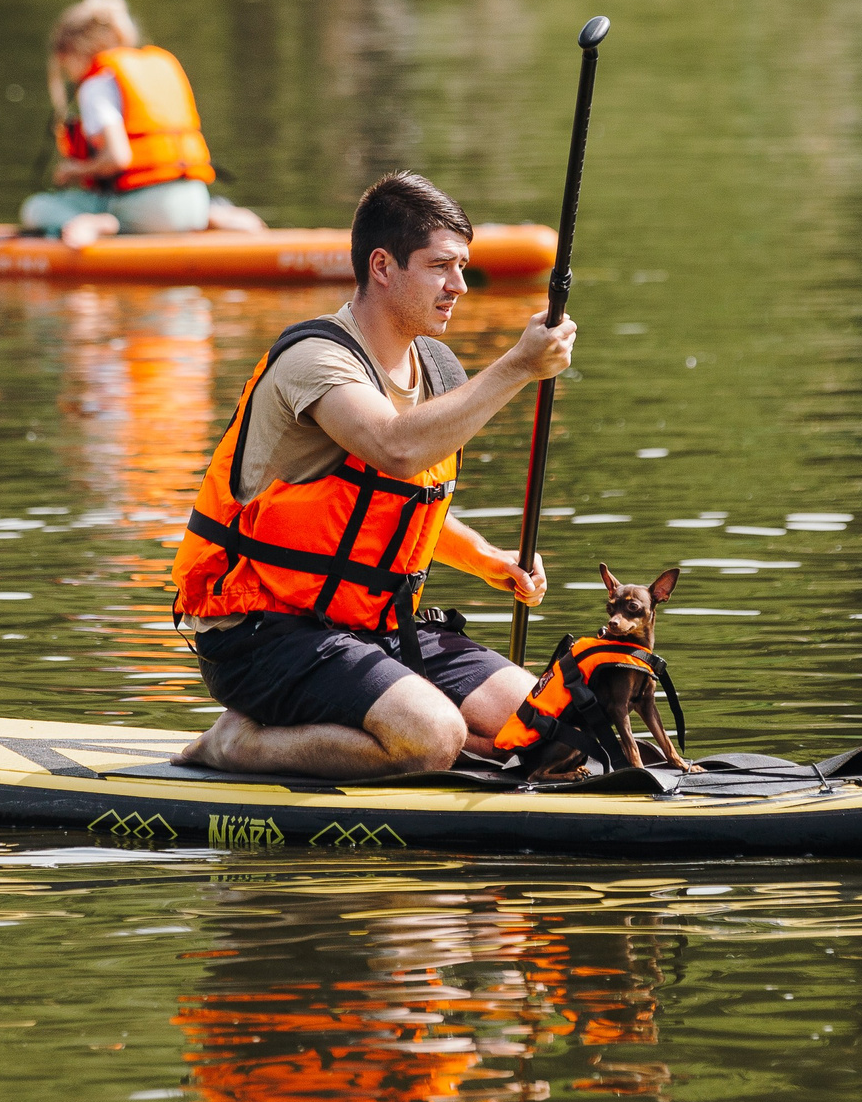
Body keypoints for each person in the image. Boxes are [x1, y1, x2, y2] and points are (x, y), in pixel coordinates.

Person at [170, 173, 577, 779]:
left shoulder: (437, 366)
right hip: (261, 633)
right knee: (432, 739)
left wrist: (492, 560)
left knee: (560, 727)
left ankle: (416, 734)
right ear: (382, 265)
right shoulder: (314, 359)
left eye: (462, 266)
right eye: (441, 266)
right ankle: (236, 743)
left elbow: (397, 506)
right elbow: (396, 450)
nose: (459, 286)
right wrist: (518, 365)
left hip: (374, 625)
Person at [22, 0, 265, 247]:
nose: (68, 75)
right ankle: (214, 216)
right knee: (169, 204)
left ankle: (103, 223)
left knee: (36, 208)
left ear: (74, 51)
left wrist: (75, 170)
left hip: (149, 213)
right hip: (195, 199)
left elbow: (119, 157)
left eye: (65, 64)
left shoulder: (96, 86)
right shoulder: (158, 66)